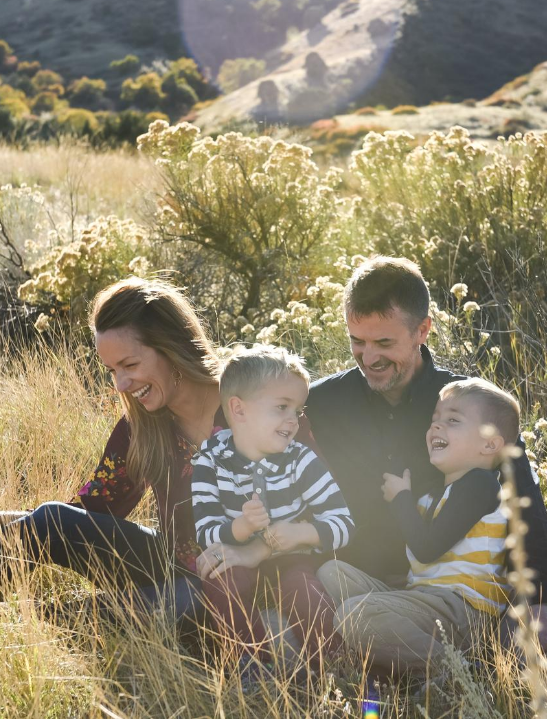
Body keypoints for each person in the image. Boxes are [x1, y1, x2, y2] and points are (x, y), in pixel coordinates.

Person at [294, 257, 547, 648]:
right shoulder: (323, 402)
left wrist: (537, 600)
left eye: (384, 343)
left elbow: (525, 504)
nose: (368, 357)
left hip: (456, 597)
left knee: (355, 619)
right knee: (330, 576)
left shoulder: (468, 404)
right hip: (377, 581)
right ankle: (382, 652)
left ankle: (454, 667)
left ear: (422, 330)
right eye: (356, 341)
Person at [0, 278, 230, 626]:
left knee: (77, 619)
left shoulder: (252, 401)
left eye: (129, 365)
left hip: (253, 583)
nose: (121, 384)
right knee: (49, 522)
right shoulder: (141, 428)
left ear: (171, 346)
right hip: (173, 569)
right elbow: (91, 509)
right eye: (112, 371)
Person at [319, 378, 523, 671]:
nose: (436, 427)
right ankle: (397, 655)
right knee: (332, 571)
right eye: (435, 420)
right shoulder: (432, 496)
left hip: (464, 611)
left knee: (356, 614)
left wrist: (401, 498)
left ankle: (456, 673)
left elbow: (427, 548)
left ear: (490, 444)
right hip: (426, 602)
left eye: (453, 420)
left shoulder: (481, 483)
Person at [189, 344, 350, 673]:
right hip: (237, 558)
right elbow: (205, 530)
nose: (293, 421)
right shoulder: (210, 459)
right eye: (282, 407)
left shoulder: (300, 460)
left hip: (291, 560)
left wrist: (301, 532)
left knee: (305, 592)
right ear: (238, 409)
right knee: (220, 579)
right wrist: (241, 528)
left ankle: (333, 669)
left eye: (298, 411)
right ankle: (252, 665)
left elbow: (344, 524)